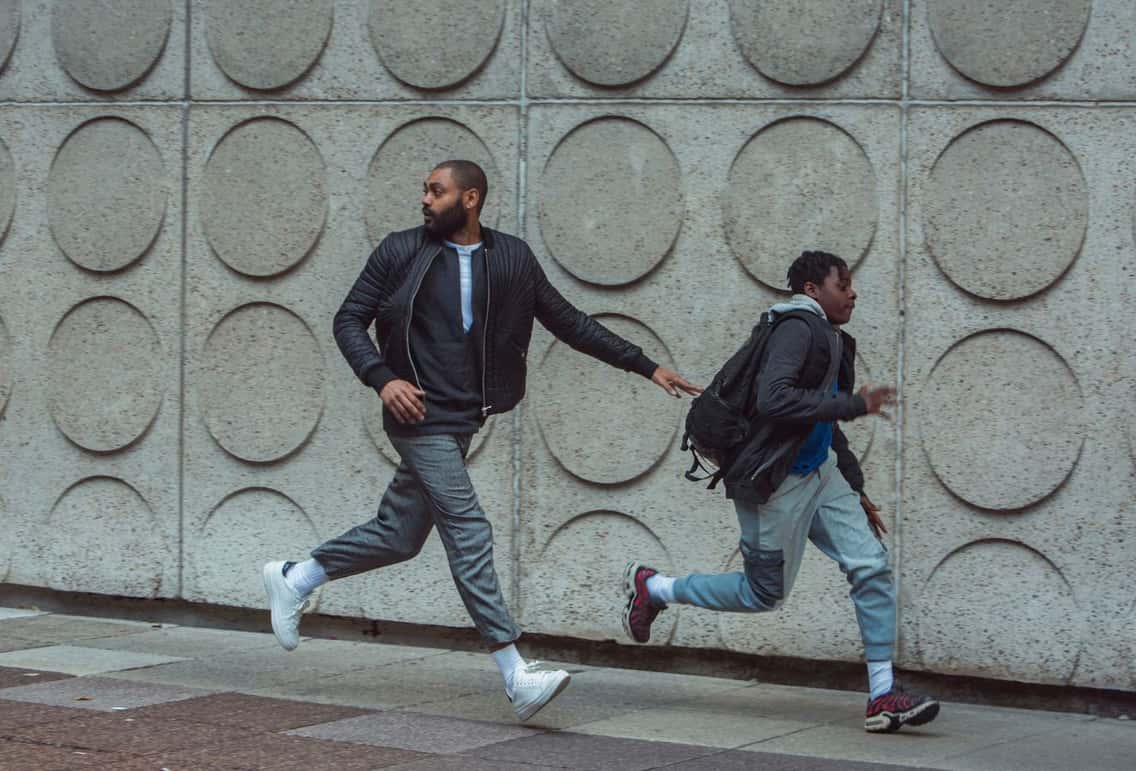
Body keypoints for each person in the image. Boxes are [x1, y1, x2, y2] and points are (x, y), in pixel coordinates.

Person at [263, 159, 701, 722]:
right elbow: (349, 318)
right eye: (424, 188)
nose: (424, 198)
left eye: (436, 190)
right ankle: (514, 670)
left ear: (469, 199)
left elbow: (568, 322)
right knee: (469, 529)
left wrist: (644, 366)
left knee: (399, 535)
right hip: (417, 415)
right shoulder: (400, 251)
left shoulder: (510, 258)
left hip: (463, 419)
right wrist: (383, 378)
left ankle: (295, 576)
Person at [622, 250, 940, 733]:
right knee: (762, 593)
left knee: (871, 565)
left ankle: (882, 695)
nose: (853, 292)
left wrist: (856, 489)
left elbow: (825, 424)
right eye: (843, 284)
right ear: (813, 290)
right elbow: (775, 398)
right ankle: (655, 588)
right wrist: (855, 403)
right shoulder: (796, 328)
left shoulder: (831, 338)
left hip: (822, 472)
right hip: (776, 481)